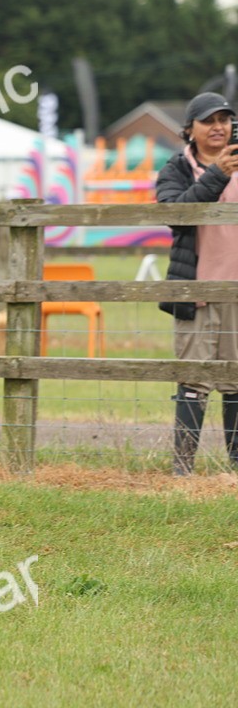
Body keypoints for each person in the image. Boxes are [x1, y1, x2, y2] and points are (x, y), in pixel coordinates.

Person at [155, 91, 238, 475]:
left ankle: (235, 468)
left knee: (236, 381)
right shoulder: (176, 169)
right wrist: (219, 173)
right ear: (190, 129)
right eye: (209, 121)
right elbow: (177, 215)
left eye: (224, 119)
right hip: (196, 292)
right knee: (193, 380)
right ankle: (183, 468)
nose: (218, 127)